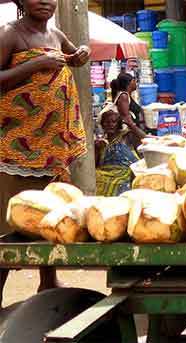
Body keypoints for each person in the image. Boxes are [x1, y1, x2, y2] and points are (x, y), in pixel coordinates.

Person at [0, 0, 90, 299]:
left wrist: (80, 55)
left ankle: (47, 280)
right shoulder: (10, 34)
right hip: (16, 147)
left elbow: (72, 57)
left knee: (49, 216)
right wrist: (35, 65)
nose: (45, 1)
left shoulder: (56, 33)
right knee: (11, 222)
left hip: (51, 147)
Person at [95, 104, 142, 196]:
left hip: (126, 174)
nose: (110, 125)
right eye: (106, 122)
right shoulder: (100, 143)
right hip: (105, 174)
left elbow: (144, 139)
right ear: (102, 124)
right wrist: (97, 149)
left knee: (119, 182)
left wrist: (130, 124)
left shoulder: (127, 136)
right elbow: (94, 166)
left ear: (119, 124)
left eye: (114, 122)